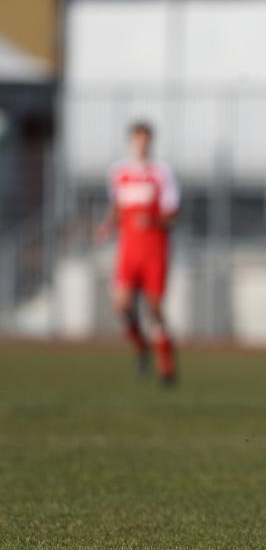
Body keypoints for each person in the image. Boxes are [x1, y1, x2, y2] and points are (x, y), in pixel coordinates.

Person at [96, 121, 179, 385]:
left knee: (153, 309)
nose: (141, 144)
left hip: (155, 250)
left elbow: (172, 213)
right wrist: (107, 225)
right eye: (137, 139)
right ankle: (140, 347)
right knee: (122, 305)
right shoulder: (119, 172)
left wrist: (153, 221)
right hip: (129, 251)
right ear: (131, 141)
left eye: (145, 139)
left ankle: (166, 365)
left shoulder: (161, 173)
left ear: (151, 142)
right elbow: (116, 208)